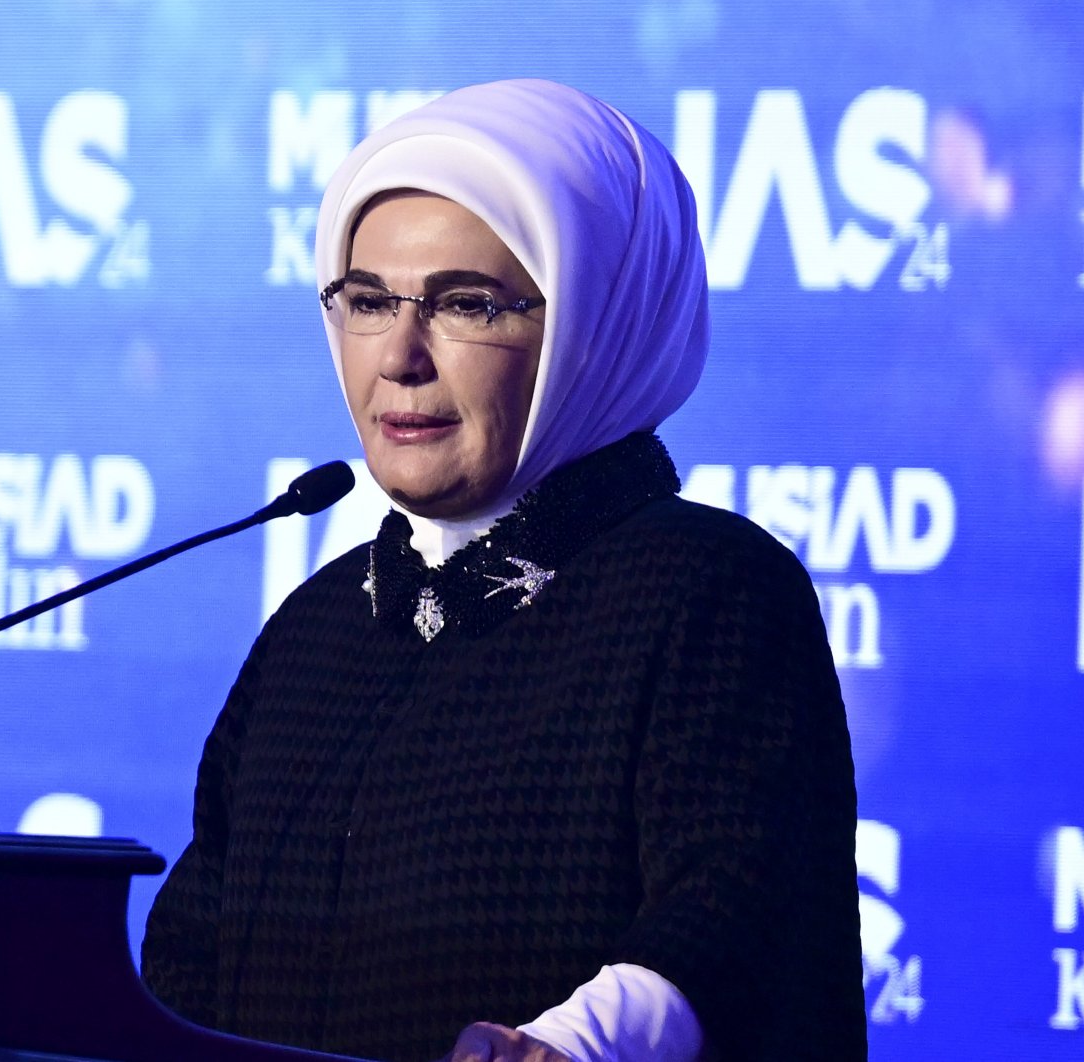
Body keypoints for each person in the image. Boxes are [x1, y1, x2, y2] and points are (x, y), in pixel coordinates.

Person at [142, 79, 865, 1062]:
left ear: (594, 327)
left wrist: (563, 1047)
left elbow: (736, 912)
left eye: (466, 304)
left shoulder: (709, 588)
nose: (397, 356)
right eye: (366, 301)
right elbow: (188, 959)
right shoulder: (317, 628)